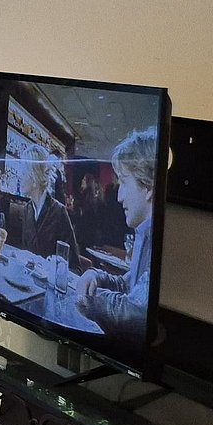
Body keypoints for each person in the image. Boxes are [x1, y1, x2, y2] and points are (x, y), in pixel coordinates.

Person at [77, 129, 157, 340]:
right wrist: (96, 276)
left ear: (148, 186)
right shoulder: (144, 232)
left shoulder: (160, 242)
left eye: (123, 182)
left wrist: (85, 296)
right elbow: (128, 285)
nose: (119, 196)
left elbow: (136, 311)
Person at [8, 154, 80, 270]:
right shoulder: (27, 210)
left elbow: (75, 267)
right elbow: (26, 254)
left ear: (34, 178)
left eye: (23, 173)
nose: (19, 177)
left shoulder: (59, 212)